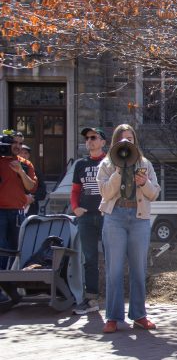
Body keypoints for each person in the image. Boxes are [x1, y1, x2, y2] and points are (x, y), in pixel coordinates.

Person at [97, 124, 160, 333]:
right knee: (114, 269)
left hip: (139, 218)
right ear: (116, 142)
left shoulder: (144, 163)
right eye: (122, 139)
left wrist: (144, 183)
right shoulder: (106, 165)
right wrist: (118, 170)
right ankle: (113, 317)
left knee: (138, 269)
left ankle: (139, 315)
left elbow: (154, 193)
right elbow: (105, 193)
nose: (127, 143)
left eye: (130, 139)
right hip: (115, 218)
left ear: (135, 141)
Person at [71, 127, 108, 315]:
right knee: (90, 258)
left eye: (94, 137)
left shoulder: (110, 162)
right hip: (85, 217)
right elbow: (76, 189)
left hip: (106, 216)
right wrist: (75, 208)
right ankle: (91, 299)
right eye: (87, 138)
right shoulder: (80, 164)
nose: (89, 141)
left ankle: (114, 299)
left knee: (112, 257)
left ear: (103, 142)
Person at [0, 130, 37, 307]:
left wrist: (20, 172)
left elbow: (31, 187)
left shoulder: (25, 164)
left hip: (17, 213)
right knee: (1, 249)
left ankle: (9, 287)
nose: (17, 146)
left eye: (20, 143)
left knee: (14, 251)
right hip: (0, 212)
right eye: (14, 142)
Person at [18, 144, 46, 216]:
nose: (23, 155)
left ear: (29, 155)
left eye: (25, 153)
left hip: (31, 207)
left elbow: (42, 191)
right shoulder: (11, 169)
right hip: (15, 204)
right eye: (20, 153)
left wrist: (32, 198)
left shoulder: (35, 171)